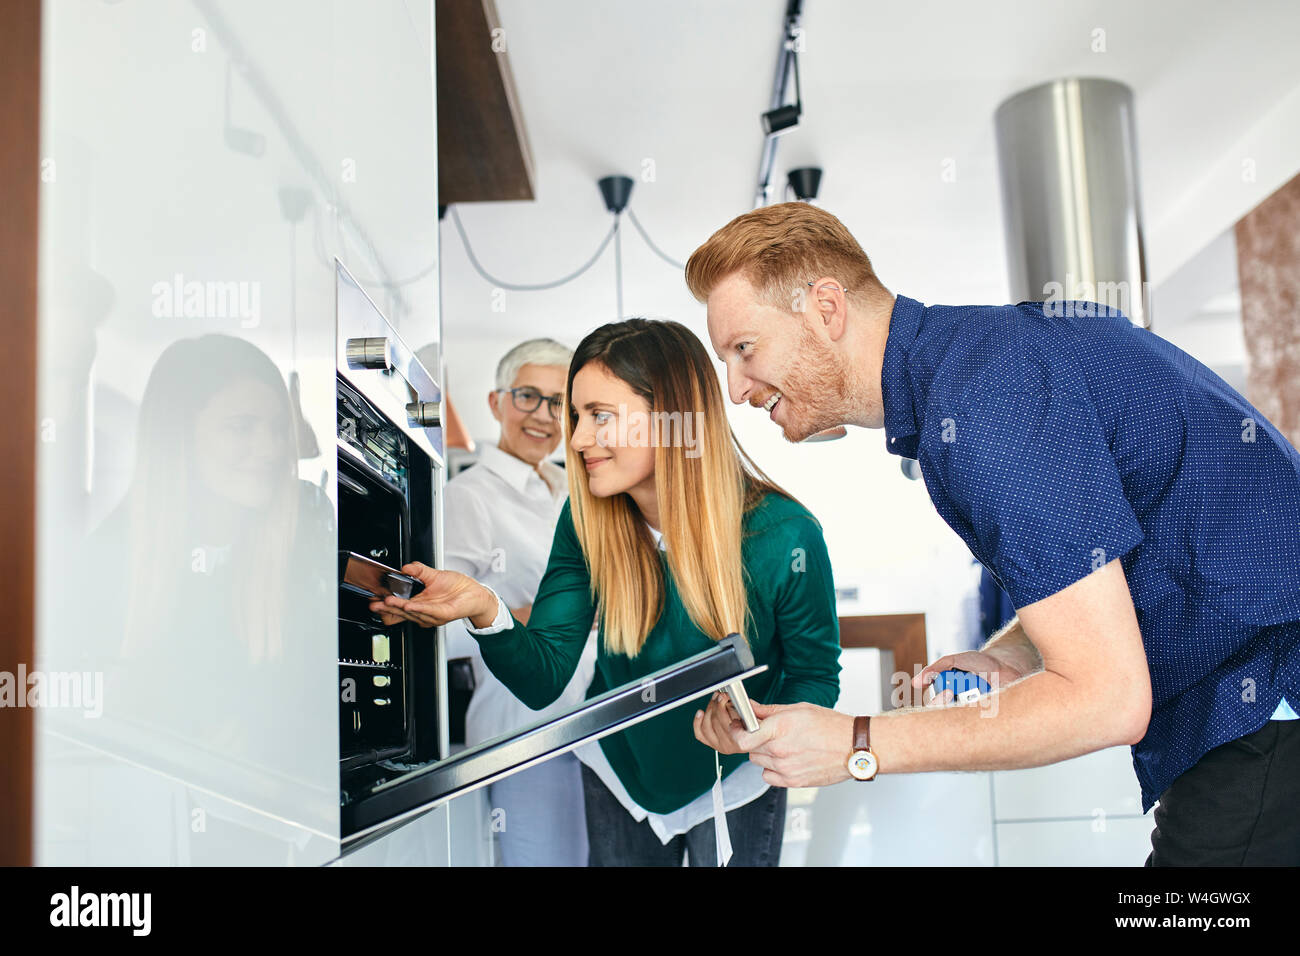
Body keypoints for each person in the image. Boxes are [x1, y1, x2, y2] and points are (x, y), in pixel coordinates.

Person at [686, 200, 1300, 866]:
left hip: (1267, 702)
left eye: (744, 350)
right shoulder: (981, 368)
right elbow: (1103, 567)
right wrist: (1012, 656)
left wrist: (856, 744)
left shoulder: (984, 405)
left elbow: (1108, 699)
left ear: (826, 309)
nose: (736, 389)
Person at [373, 318, 841, 867]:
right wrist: (485, 608)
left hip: (738, 780)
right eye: (578, 416)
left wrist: (756, 728)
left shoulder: (785, 535)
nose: (575, 439)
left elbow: (816, 679)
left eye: (599, 416)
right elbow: (545, 677)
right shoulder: (586, 519)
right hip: (621, 773)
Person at [441, 337, 597, 867]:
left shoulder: (575, 493)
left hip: (593, 726)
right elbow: (437, 629)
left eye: (560, 403)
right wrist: (534, 618)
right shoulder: (470, 498)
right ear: (497, 402)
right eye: (529, 396)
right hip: (525, 735)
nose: (544, 415)